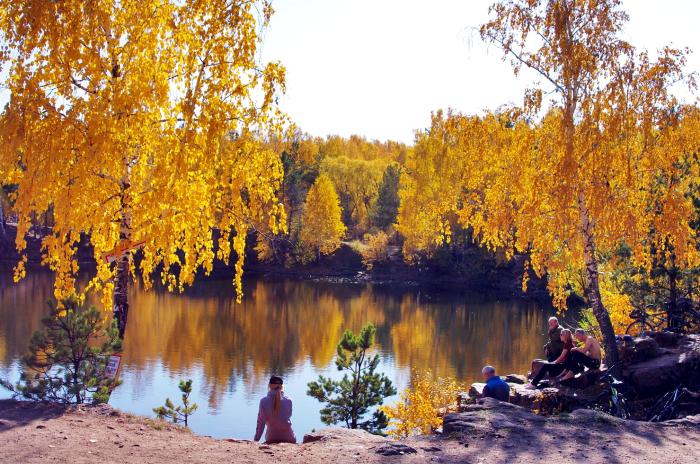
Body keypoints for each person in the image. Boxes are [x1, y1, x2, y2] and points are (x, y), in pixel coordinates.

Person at [254, 375, 297, 444]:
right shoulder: (289, 401)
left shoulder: (263, 401)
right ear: (282, 387)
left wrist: (256, 439)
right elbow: (288, 416)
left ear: (269, 386)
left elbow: (261, 423)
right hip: (289, 438)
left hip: (271, 438)